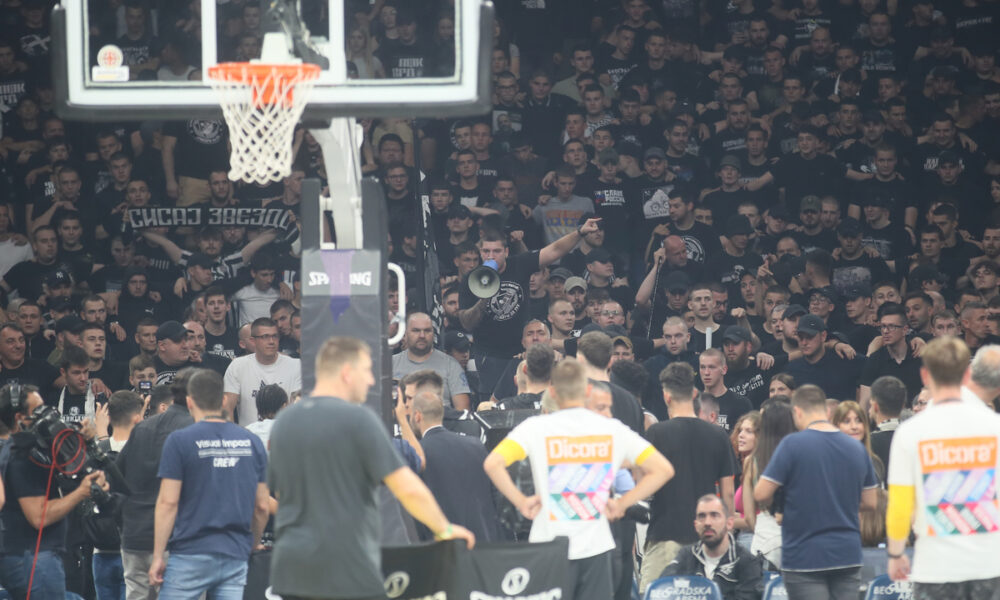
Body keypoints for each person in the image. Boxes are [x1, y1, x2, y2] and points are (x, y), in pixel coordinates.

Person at [268, 337, 475, 600]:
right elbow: (406, 487)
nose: (370, 380)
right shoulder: (359, 419)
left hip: (292, 570)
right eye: (365, 371)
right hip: (346, 570)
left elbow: (276, 494)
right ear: (346, 373)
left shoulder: (285, 422)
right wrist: (444, 529)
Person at [484, 359, 675, 600]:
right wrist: (623, 503)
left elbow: (492, 463)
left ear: (552, 392)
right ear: (587, 391)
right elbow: (663, 469)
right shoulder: (610, 429)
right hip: (595, 546)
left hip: (548, 545)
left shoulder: (535, 427)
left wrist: (520, 501)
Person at [887, 337, 1000, 597]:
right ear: (968, 373)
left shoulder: (909, 432)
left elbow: (900, 503)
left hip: (936, 566)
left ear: (925, 375)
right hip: (990, 564)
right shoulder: (995, 427)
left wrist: (895, 553)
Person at [149, 369, 270, 597]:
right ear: (224, 400)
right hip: (235, 553)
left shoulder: (179, 441)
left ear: (189, 401)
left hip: (190, 552)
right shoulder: (251, 441)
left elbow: (167, 503)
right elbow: (262, 505)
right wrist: (252, 544)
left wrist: (157, 556)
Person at [753, 385, 879, 600]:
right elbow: (870, 502)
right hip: (847, 554)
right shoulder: (856, 448)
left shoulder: (792, 445)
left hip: (805, 555)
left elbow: (761, 494)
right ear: (827, 412)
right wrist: (837, 502)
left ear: (797, 412)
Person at [0, 382, 109, 599]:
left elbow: (78, 468)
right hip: (34, 560)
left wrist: (87, 441)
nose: (48, 414)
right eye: (38, 410)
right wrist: (81, 493)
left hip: (35, 557)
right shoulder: (21, 457)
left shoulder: (31, 450)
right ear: (20, 418)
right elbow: (39, 516)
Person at [641, 362, 735, 593]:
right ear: (694, 393)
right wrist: (728, 528)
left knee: (653, 594)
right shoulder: (719, 434)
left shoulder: (656, 433)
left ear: (666, 396)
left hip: (664, 534)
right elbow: (728, 491)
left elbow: (642, 484)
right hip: (708, 537)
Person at [115, 369, 196, 600]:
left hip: (134, 535)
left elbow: (116, 478)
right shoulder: (195, 431)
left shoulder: (142, 428)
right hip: (176, 540)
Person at [410, 391, 501, 542]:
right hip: (481, 541)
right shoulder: (476, 445)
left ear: (417, 416)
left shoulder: (418, 454)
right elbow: (495, 495)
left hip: (439, 545)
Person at [660, 494, 762, 600]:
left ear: (729, 523)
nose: (707, 522)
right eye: (702, 516)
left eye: (714, 515)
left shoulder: (747, 562)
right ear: (696, 525)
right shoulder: (686, 555)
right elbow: (662, 586)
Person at [223, 317, 301, 425]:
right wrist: (234, 438)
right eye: (265, 337)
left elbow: (300, 408)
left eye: (275, 336)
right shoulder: (237, 366)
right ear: (252, 341)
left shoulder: (296, 365)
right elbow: (227, 408)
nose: (271, 341)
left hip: (284, 437)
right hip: (249, 439)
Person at [391, 313, 471, 409]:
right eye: (416, 330)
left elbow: (463, 412)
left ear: (433, 333)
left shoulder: (451, 365)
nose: (422, 335)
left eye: (427, 330)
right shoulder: (390, 364)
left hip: (442, 421)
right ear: (405, 334)